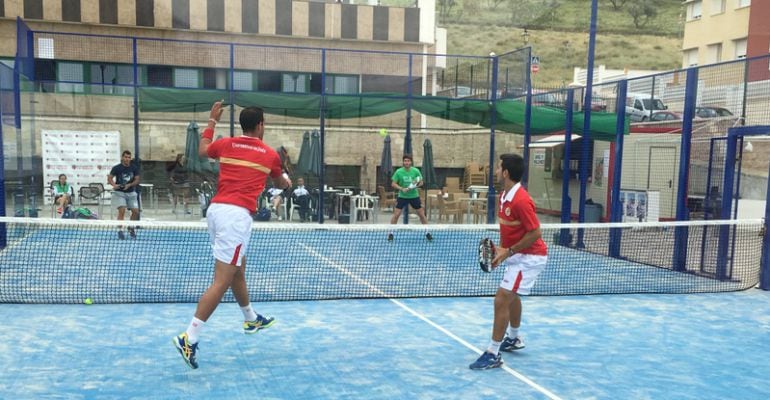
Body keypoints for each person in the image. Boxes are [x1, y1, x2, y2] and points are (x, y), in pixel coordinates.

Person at [173, 101, 291, 370]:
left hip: (216, 211)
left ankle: (250, 318)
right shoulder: (270, 154)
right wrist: (286, 180)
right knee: (222, 280)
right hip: (236, 218)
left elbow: (202, 150)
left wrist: (212, 121)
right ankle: (189, 337)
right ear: (260, 125)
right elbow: (279, 183)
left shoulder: (226, 144)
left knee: (238, 267)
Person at [469, 153, 548, 370]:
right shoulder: (505, 195)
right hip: (517, 255)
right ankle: (514, 338)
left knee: (502, 299)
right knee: (511, 296)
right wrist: (501, 251)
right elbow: (512, 230)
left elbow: (535, 233)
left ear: (505, 173)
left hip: (530, 258)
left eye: (498, 167)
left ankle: (492, 352)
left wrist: (510, 251)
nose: (494, 170)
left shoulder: (521, 200)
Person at [388, 154, 431, 241]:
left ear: (411, 162)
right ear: (403, 162)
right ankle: (390, 233)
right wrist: (401, 188)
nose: (407, 162)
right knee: (396, 215)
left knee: (421, 214)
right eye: (405, 161)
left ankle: (428, 232)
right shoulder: (398, 172)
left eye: (408, 161)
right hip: (402, 196)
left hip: (414, 196)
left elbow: (421, 182)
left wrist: (414, 186)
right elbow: (393, 184)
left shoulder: (416, 171)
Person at [108, 150, 141, 239]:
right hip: (119, 193)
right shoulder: (116, 168)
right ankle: (120, 230)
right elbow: (110, 178)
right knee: (122, 210)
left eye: (129, 157)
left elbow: (137, 179)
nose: (127, 159)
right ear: (122, 158)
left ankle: (130, 227)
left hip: (131, 193)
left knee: (136, 211)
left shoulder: (134, 168)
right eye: (125, 157)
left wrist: (129, 185)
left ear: (130, 158)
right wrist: (114, 185)